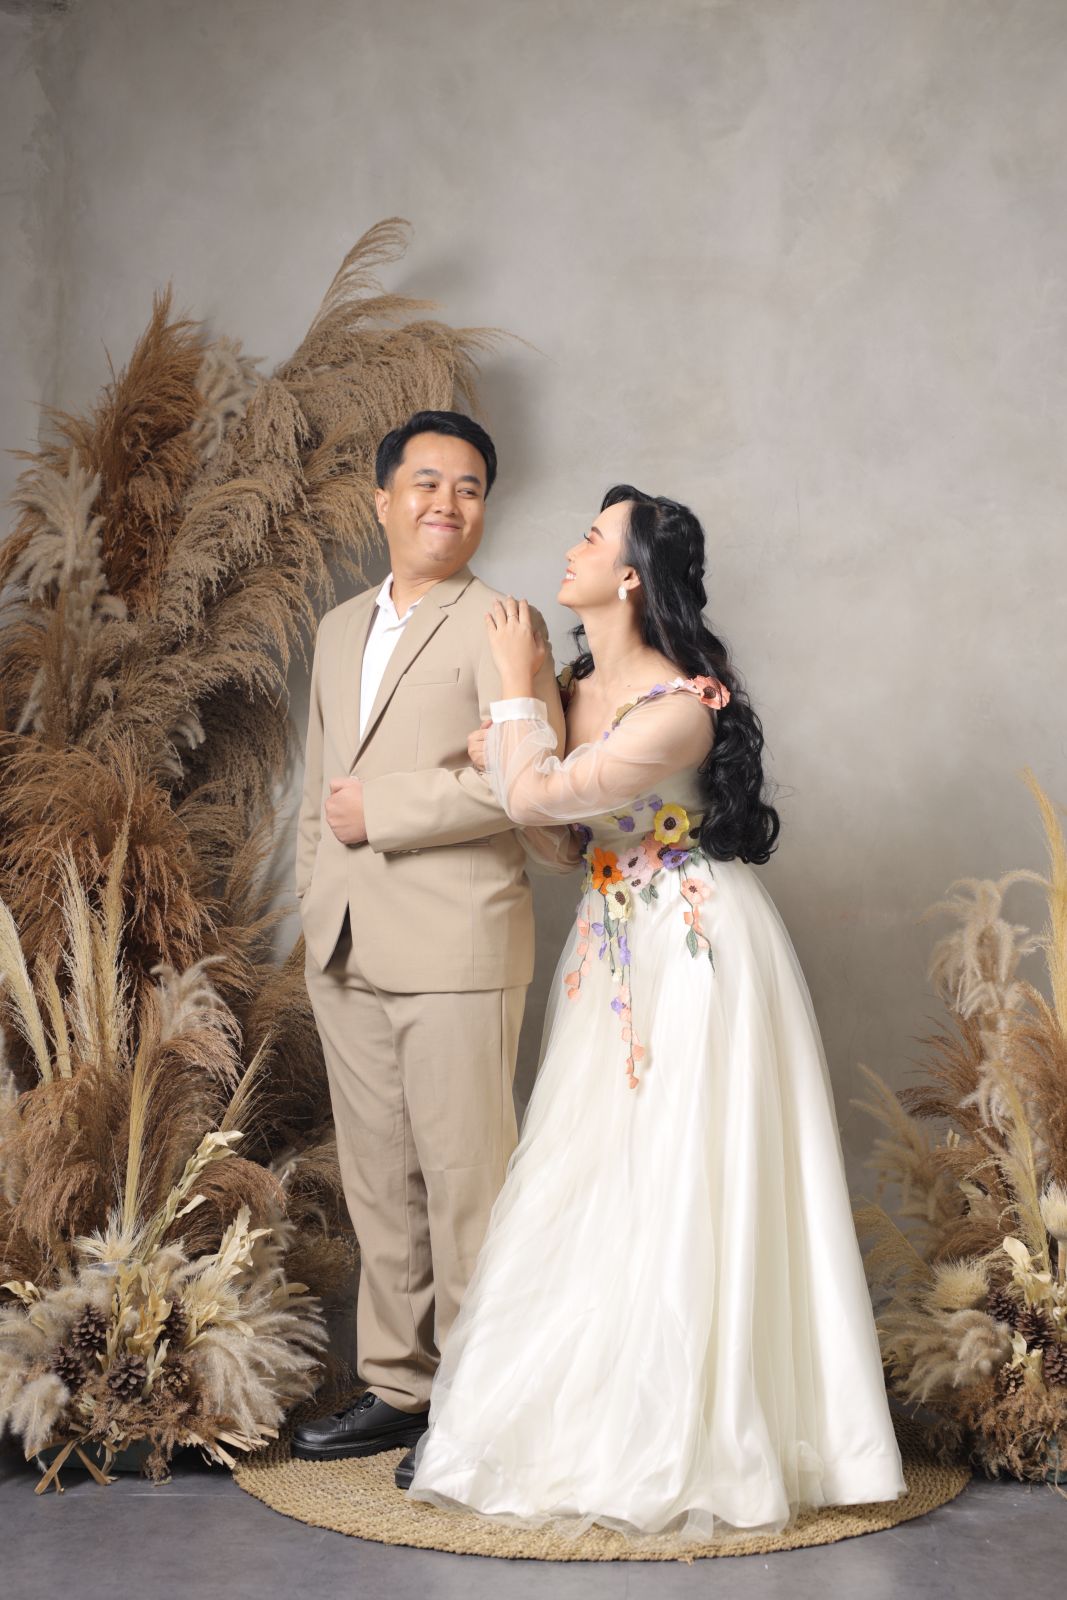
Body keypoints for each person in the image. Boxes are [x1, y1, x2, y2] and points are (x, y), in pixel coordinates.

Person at [400, 484, 908, 1542]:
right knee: (591, 1169)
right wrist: (526, 719)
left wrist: (511, 698)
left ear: (629, 577)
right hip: (608, 948)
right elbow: (555, 841)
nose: (571, 547)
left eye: (593, 536)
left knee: (687, 1169)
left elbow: (535, 793)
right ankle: (583, 1421)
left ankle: (700, 1432)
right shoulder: (574, 691)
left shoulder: (682, 704)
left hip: (694, 948)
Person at [291, 411, 565, 1463]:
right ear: (383, 501)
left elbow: (531, 785)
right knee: (378, 1182)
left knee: (465, 1184)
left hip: (456, 942)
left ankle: (476, 1402)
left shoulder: (504, 624)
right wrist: (314, 905)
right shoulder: (335, 629)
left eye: (469, 487)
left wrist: (388, 810)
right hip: (345, 945)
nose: (447, 502)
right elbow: (318, 790)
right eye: (426, 483)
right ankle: (398, 1387)